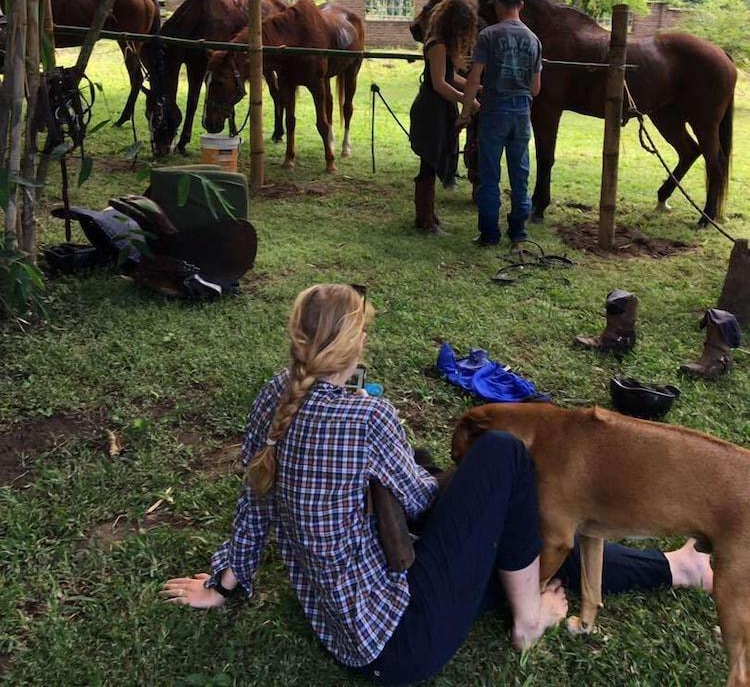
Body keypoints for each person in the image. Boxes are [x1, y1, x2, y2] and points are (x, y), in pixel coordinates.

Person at [162, 284, 713, 686]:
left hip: (347, 628)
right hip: (401, 637)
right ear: (356, 349)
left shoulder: (274, 395)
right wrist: (461, 480)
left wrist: (224, 582)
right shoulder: (366, 418)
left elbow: (253, 497)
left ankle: (679, 567)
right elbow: (423, 501)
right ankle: (529, 620)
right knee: (503, 457)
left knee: (516, 535)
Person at [458, 0, 542, 247]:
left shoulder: (488, 36)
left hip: (494, 112)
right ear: (521, 5)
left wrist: (464, 112)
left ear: (499, 5)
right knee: (520, 172)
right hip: (521, 113)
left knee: (489, 173)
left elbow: (473, 79)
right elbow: (536, 88)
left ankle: (489, 233)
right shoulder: (533, 39)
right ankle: (518, 231)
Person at [409, 0, 480, 233]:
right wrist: (466, 99)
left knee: (434, 158)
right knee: (429, 161)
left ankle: (429, 214)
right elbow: (439, 84)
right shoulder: (437, 45)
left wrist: (476, 88)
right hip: (431, 108)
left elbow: (452, 77)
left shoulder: (443, 44)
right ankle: (424, 219)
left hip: (440, 107)